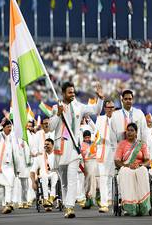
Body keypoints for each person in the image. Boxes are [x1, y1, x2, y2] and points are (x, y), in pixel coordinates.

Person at [49, 81, 104, 218]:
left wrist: (100, 99)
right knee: (65, 182)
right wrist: (58, 114)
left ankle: (70, 207)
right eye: (69, 92)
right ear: (63, 94)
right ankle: (67, 205)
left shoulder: (79, 106)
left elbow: (96, 110)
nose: (72, 94)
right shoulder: (57, 108)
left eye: (73, 92)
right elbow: (50, 127)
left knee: (72, 178)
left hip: (74, 148)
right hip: (60, 149)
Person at [115, 123, 151, 216]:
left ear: (136, 133)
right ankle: (130, 206)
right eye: (128, 130)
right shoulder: (121, 144)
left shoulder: (142, 144)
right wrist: (127, 166)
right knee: (126, 172)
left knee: (143, 171)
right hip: (127, 167)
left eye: (132, 130)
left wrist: (140, 165)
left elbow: (147, 160)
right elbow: (117, 161)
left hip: (138, 167)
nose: (129, 132)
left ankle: (142, 205)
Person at [0, 118, 21, 214]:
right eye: (8, 127)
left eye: (10, 126)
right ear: (3, 127)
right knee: (6, 185)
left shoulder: (12, 137)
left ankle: (7, 203)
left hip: (10, 165)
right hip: (1, 166)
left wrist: (17, 168)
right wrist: (0, 124)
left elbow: (16, 153)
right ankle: (6, 203)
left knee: (9, 185)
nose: (10, 128)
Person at [95, 100, 115, 213]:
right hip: (103, 150)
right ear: (105, 108)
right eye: (109, 107)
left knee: (114, 177)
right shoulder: (100, 119)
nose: (111, 109)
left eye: (112, 107)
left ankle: (114, 198)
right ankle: (104, 203)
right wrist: (98, 140)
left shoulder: (117, 119)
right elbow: (96, 135)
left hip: (116, 150)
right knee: (103, 177)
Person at [30, 138, 59, 211]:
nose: (46, 146)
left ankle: (51, 198)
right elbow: (32, 171)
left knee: (55, 176)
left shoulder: (57, 155)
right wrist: (33, 182)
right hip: (44, 174)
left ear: (52, 145)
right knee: (44, 176)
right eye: (45, 144)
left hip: (53, 173)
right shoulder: (39, 156)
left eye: (48, 144)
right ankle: (46, 199)